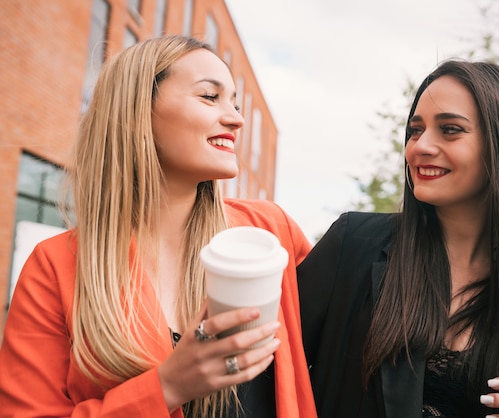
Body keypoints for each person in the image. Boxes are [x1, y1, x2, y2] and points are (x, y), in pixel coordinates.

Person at [0, 35, 316, 418]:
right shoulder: (57, 267)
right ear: (138, 111)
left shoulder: (269, 231)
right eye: (209, 96)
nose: (236, 117)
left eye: (233, 100)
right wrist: (167, 387)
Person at [297, 60, 499, 418]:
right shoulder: (352, 244)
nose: (420, 146)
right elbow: (266, 371)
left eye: (450, 130)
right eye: (415, 130)